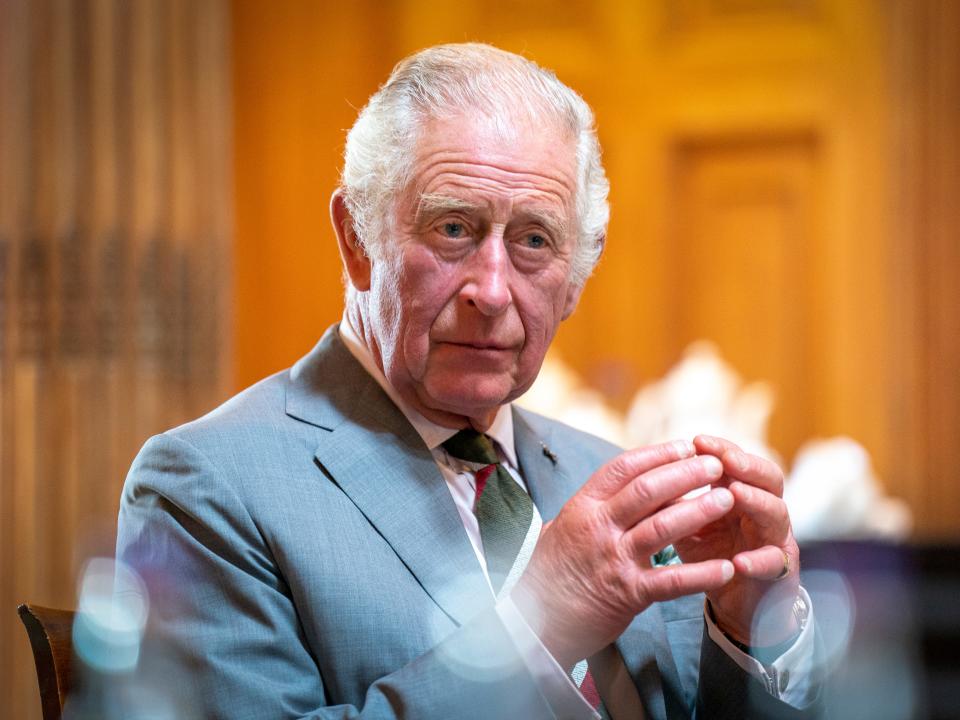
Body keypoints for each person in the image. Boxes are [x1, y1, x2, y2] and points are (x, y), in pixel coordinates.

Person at [117, 43, 821, 719]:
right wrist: (535, 627)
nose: (491, 288)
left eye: (534, 241)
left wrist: (754, 632)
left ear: (576, 279)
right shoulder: (207, 487)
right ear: (357, 241)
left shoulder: (609, 480)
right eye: (454, 228)